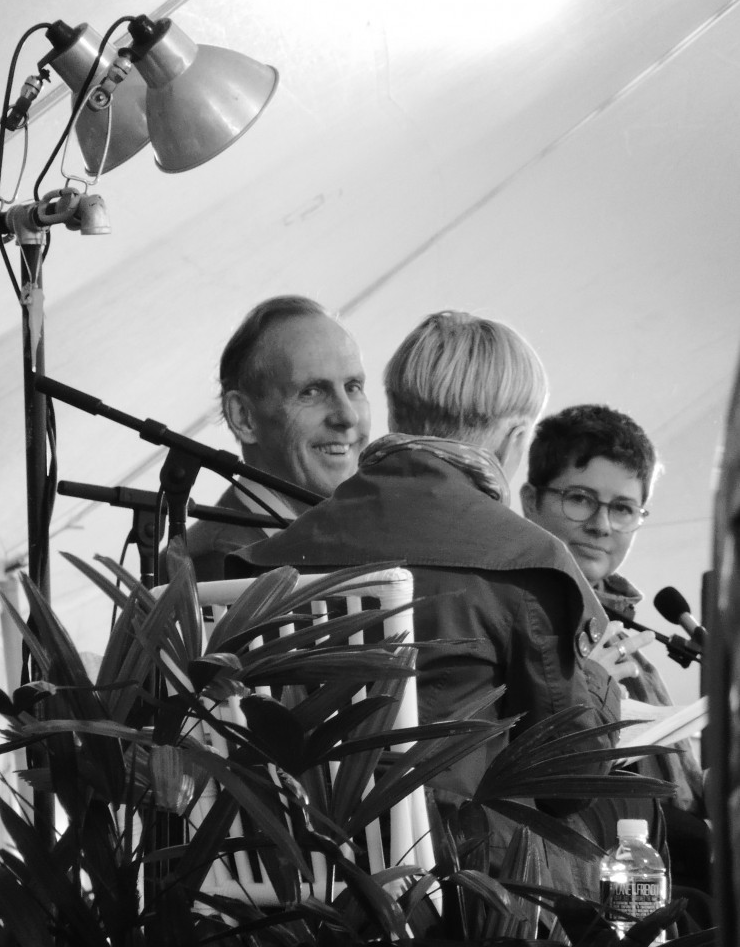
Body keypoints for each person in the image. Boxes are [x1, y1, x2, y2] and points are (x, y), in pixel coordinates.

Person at [229, 311, 622, 855]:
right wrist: (602, 679)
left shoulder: (266, 558)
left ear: (396, 409)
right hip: (462, 897)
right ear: (514, 438)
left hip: (297, 881)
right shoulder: (525, 561)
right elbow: (569, 781)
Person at [520, 403, 710, 919]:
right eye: (580, 499)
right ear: (530, 500)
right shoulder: (519, 614)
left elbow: (675, 784)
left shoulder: (632, 630)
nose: (602, 525)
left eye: (624, 509)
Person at [181, 295, 371, 580]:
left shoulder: (368, 538)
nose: (347, 417)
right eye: (312, 391)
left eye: (353, 386)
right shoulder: (213, 566)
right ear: (244, 417)